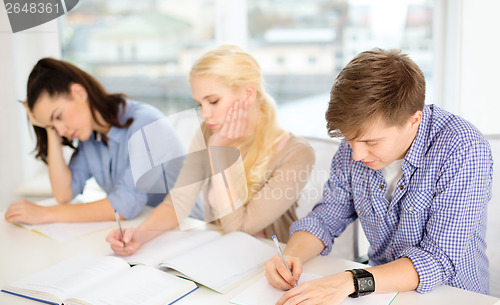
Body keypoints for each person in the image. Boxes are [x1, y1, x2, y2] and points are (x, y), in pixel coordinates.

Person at [264, 48, 493, 305]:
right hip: (380, 301)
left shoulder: (464, 149)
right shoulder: (356, 146)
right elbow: (326, 218)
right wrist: (291, 256)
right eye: (350, 140)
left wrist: (350, 281)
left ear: (413, 121)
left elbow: (437, 260)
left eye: (371, 142)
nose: (357, 155)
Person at [106, 45, 315, 256]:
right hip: (221, 253)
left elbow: (239, 228)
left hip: (271, 260)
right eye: (199, 104)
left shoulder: (296, 153)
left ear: (248, 93)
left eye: (213, 101)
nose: (205, 114)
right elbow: (178, 201)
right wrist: (139, 235)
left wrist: (219, 152)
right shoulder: (210, 131)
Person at [5, 58, 185, 224]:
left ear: (79, 92)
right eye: (53, 125)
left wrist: (46, 213)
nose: (61, 131)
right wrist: (49, 128)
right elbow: (64, 193)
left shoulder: (146, 124)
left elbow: (126, 204)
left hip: (192, 230)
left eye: (59, 116)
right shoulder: (91, 138)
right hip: (146, 231)